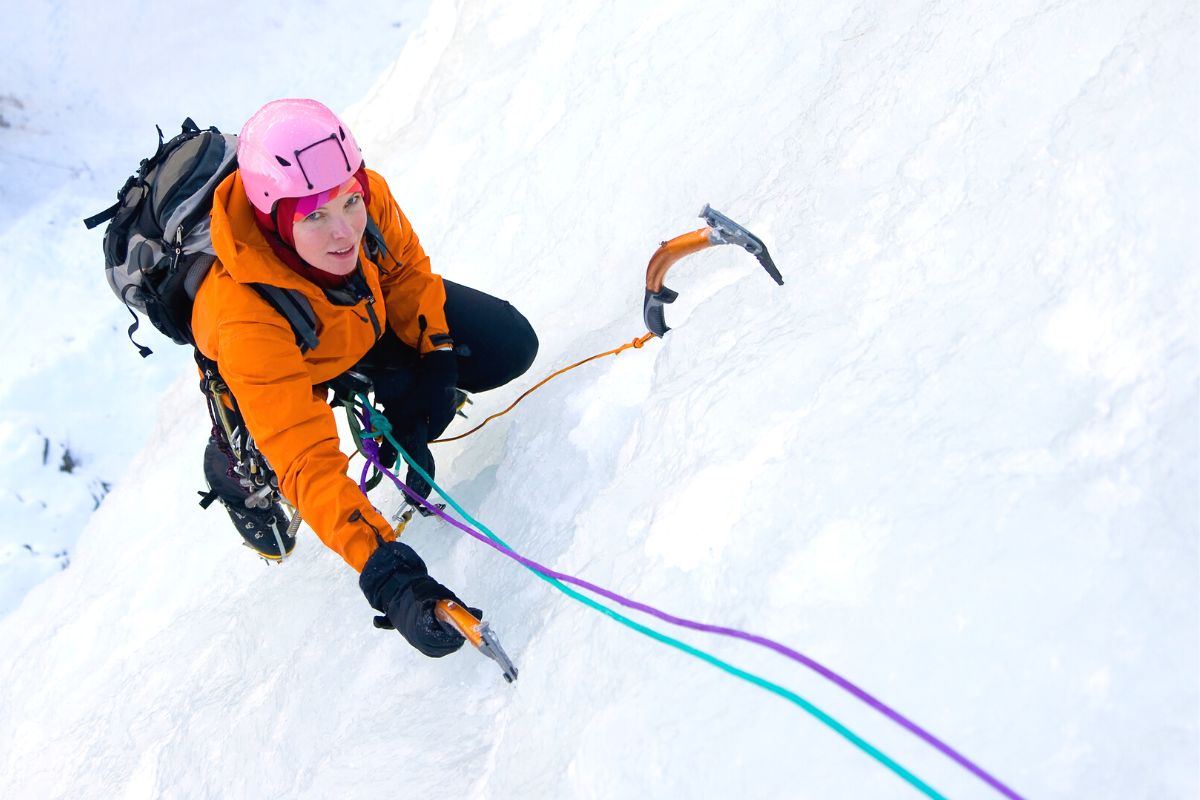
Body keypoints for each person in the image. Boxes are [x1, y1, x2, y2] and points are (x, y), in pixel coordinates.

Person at [191, 98, 538, 657]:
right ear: (273, 219)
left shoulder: (360, 193)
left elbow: (405, 272)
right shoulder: (243, 315)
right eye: (313, 217)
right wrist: (390, 576)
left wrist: (436, 363)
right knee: (276, 452)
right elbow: (308, 461)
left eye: (351, 203)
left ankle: (372, 378)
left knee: (508, 345)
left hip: (353, 318)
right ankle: (233, 457)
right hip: (280, 359)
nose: (344, 232)